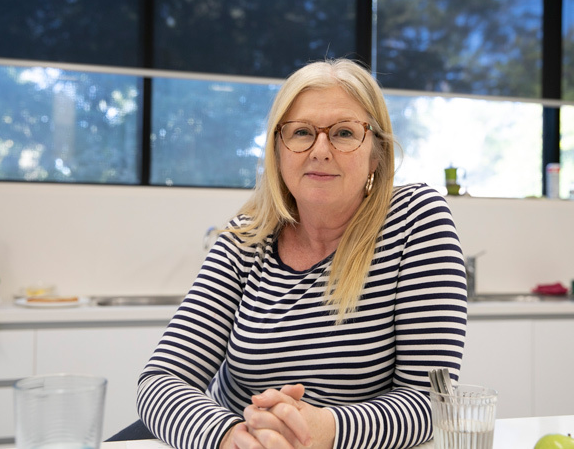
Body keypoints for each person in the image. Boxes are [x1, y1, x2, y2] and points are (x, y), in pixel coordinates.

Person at [136, 58, 467, 449]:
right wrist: (231, 437)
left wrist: (324, 428)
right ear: (279, 151)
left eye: (344, 132)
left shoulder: (416, 220)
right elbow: (160, 381)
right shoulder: (246, 239)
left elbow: (431, 400)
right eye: (302, 132)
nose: (320, 150)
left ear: (376, 154)